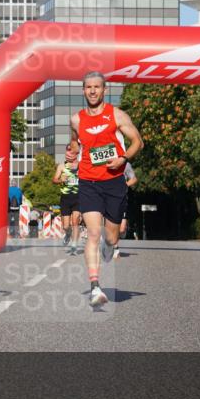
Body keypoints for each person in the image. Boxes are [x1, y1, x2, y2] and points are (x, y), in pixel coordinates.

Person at [68, 71, 143, 308]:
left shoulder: (117, 115)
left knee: (110, 237)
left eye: (96, 87)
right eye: (88, 87)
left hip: (113, 182)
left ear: (104, 90)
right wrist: (72, 151)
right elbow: (75, 141)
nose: (92, 91)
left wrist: (123, 159)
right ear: (83, 90)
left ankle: (109, 247)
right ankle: (95, 286)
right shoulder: (76, 119)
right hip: (88, 182)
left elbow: (138, 141)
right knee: (92, 233)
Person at [53, 143, 81, 255]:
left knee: (75, 221)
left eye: (71, 150)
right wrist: (61, 180)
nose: (69, 152)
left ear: (76, 153)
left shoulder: (81, 166)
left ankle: (74, 245)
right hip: (65, 198)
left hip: (78, 196)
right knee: (65, 226)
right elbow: (54, 180)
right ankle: (68, 234)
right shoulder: (62, 166)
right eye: (67, 150)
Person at [115, 162, 138, 259]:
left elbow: (134, 179)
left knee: (121, 229)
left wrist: (125, 185)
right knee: (111, 225)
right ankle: (115, 248)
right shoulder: (104, 163)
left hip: (122, 199)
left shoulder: (125, 165)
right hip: (107, 198)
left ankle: (116, 237)